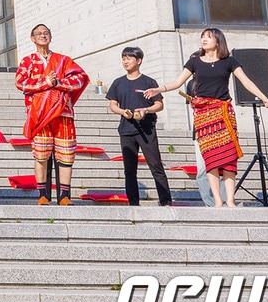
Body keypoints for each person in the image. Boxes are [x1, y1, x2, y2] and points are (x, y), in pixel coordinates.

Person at [142, 27, 268, 207]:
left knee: (228, 158)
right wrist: (158, 89)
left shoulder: (229, 61)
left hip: (224, 113)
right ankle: (218, 201)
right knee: (211, 158)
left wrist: (264, 98)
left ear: (218, 41)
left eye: (208, 37)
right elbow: (178, 82)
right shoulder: (194, 61)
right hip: (204, 115)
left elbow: (246, 81)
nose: (203, 40)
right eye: (202, 37)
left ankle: (231, 201)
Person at [15, 24, 90, 205]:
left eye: (46, 33)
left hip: (62, 113)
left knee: (65, 153)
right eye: (39, 34)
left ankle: (64, 196)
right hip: (39, 115)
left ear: (50, 37)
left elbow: (80, 78)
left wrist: (58, 83)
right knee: (41, 154)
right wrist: (45, 82)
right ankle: (43, 195)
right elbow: (20, 83)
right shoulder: (28, 61)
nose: (43, 36)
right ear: (32, 38)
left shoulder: (63, 60)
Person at [105, 46, 172, 207]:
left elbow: (159, 105)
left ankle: (166, 201)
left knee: (155, 165)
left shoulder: (148, 82)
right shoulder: (118, 83)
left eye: (129, 58)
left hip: (146, 129)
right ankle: (133, 203)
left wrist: (146, 110)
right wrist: (123, 112)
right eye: (123, 58)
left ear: (139, 60)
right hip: (126, 130)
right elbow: (113, 105)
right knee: (129, 169)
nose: (125, 61)